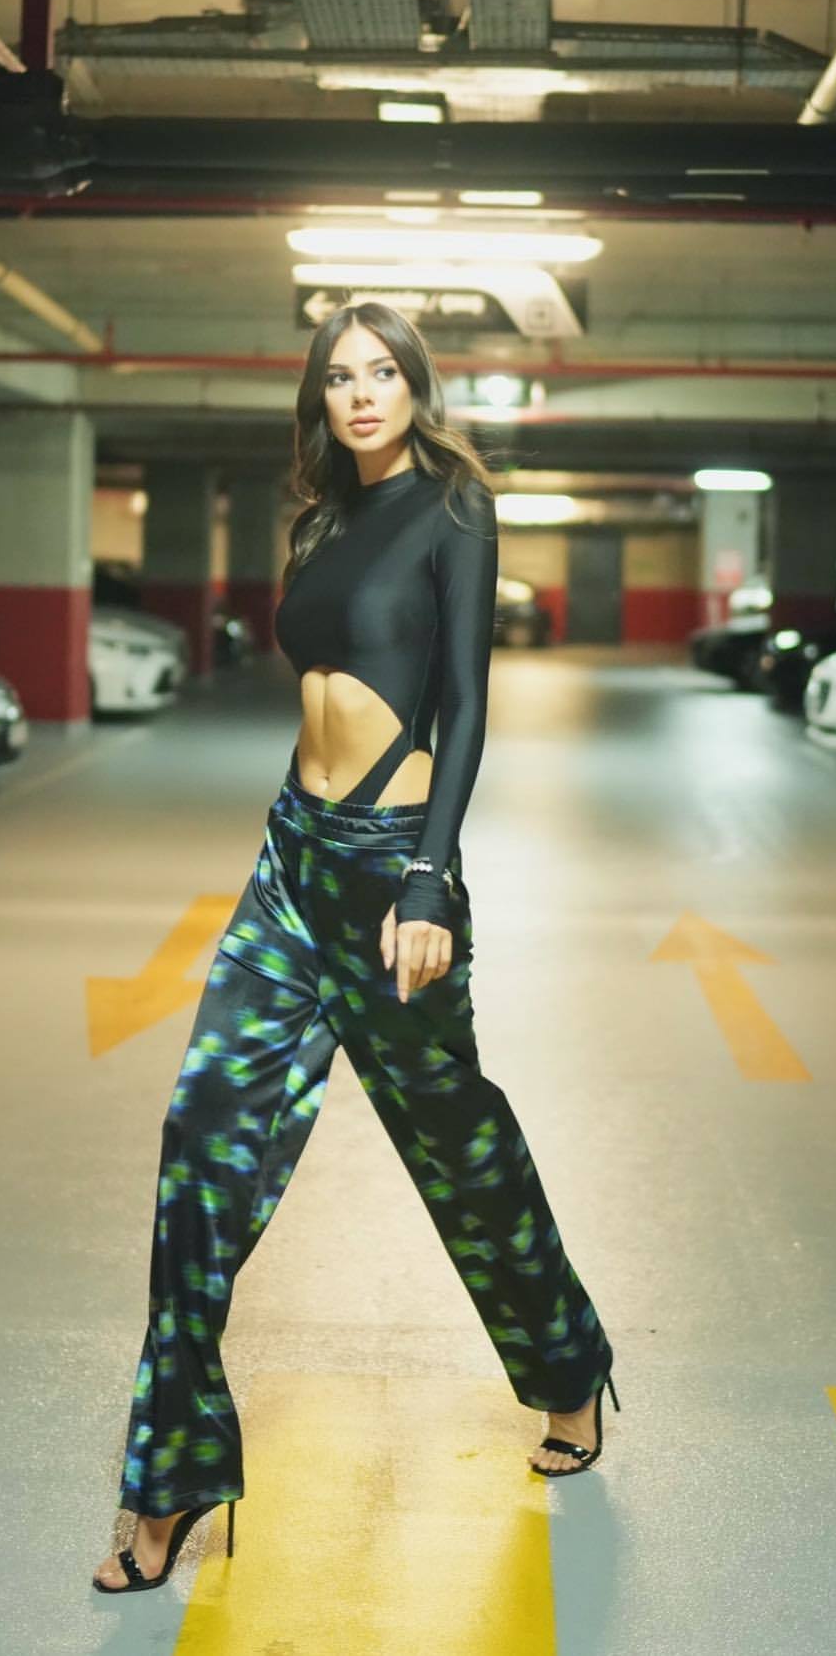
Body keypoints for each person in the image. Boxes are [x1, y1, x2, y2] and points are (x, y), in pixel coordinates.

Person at [93, 300, 614, 1595]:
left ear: (417, 386)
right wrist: (299, 841)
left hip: (394, 871)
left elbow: (466, 703)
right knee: (201, 1135)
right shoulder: (318, 521)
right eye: (341, 376)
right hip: (296, 858)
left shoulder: (453, 506)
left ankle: (568, 1367)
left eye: (385, 372)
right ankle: (172, 1477)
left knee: (458, 1145)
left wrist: (429, 877)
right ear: (318, 397)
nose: (364, 392)